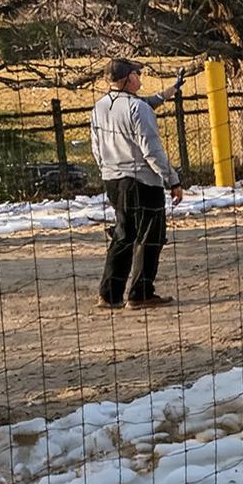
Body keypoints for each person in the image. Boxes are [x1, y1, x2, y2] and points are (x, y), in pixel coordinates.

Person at [89, 57, 185, 310]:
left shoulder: (99, 107)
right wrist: (172, 180)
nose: (140, 78)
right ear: (128, 78)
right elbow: (151, 150)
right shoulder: (137, 108)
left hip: (113, 180)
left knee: (123, 234)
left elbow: (96, 148)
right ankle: (141, 293)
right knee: (150, 237)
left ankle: (109, 294)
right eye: (137, 74)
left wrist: (168, 93)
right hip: (142, 181)